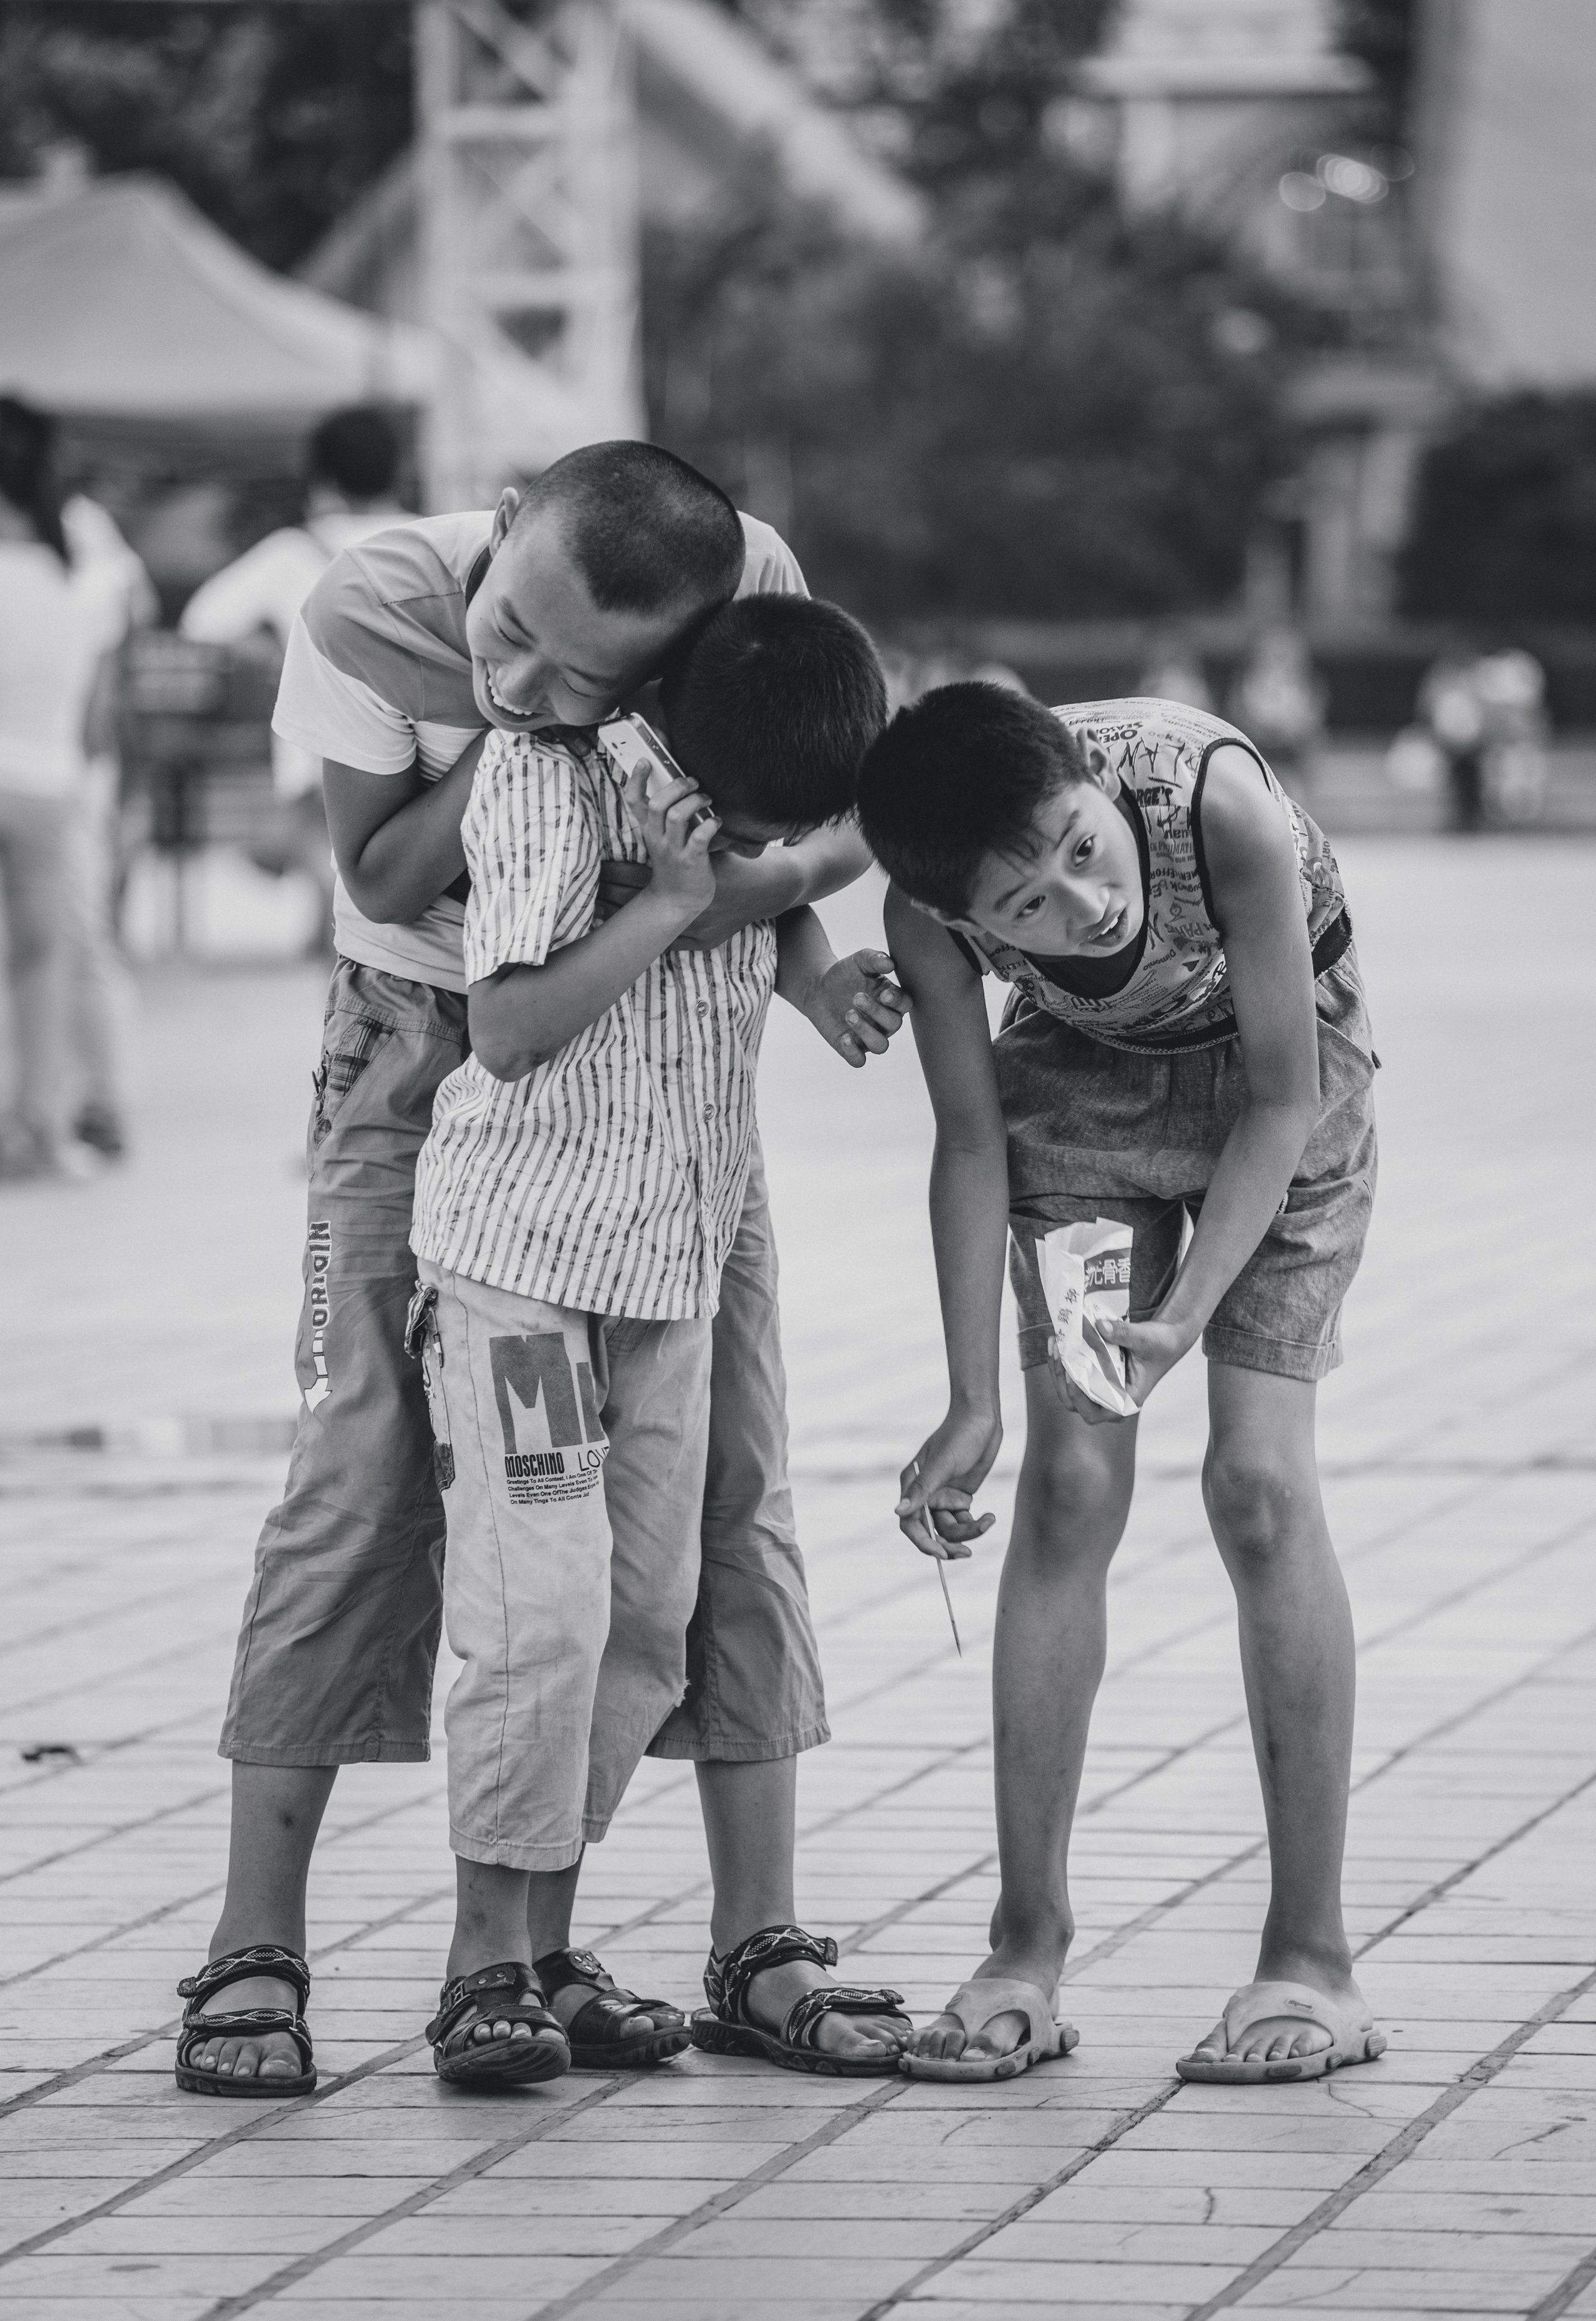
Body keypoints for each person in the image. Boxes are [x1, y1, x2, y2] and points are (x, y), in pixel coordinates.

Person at [176, 443, 911, 2097]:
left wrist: (778, 928)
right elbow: (377, 880)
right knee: (365, 1488)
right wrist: (566, 760)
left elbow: (792, 797)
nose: (522, 676)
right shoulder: (376, 605)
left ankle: (655, 1944)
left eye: (585, 670)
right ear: (500, 526)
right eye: (509, 628)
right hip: (436, 1067)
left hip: (662, 1119)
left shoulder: (746, 587)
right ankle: (261, 1943)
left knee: (703, 1513)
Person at [409, 595, 911, 2084]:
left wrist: (813, 974)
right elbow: (502, 1026)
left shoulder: (723, 815)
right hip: (523, 1277)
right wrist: (669, 901)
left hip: (665, 1276)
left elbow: (768, 887)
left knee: (642, 1616)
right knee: (539, 1611)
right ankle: (477, 1967)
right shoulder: (547, 780)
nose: (757, 854)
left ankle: (546, 1952)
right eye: (747, 828)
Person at [859, 687, 1383, 2087]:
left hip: (1282, 1106)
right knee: (1070, 1477)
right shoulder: (928, 918)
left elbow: (1281, 1095)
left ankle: (1308, 1958)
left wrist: (1185, 1316)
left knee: (1257, 1488)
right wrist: (968, 1396)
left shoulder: (1214, 805)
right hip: (1078, 1109)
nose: (1075, 907)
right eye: (1021, 907)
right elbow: (970, 1145)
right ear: (962, 917)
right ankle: (1021, 1945)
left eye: (1079, 851)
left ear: (1089, 778)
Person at [180, 407, 410, 952]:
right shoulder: (426, 536)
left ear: (322, 477)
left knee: (328, 848)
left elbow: (202, 620)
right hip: (416, 736)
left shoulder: (294, 552)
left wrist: (280, 658)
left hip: (320, 744)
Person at [0, 397, 123, 1182]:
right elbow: (96, 720)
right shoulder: (85, 578)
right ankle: (39, 1129)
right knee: (44, 965)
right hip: (49, 789)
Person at [1229, 626, 1325, 805]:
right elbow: (1239, 719)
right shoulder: (1246, 684)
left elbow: (1311, 722)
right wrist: (1264, 732)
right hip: (1256, 753)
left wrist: (1290, 731)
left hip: (1292, 756)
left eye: (1285, 652)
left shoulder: (1308, 687)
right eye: (1273, 651)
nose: (1278, 657)